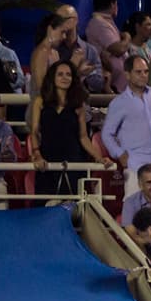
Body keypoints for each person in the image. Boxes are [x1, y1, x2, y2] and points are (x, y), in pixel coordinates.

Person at [29, 60, 110, 201]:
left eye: (68, 74)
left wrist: (99, 157)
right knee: (46, 205)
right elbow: (35, 131)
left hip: (74, 159)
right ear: (52, 78)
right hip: (48, 159)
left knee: (75, 207)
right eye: (60, 74)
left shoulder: (78, 105)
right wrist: (37, 154)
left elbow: (83, 137)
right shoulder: (40, 101)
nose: (65, 78)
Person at [103, 56, 151, 197]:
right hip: (136, 167)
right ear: (127, 74)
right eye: (138, 72)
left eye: (146, 71)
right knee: (135, 213)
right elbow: (107, 134)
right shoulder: (119, 103)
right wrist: (119, 154)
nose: (144, 75)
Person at [86, 0, 128, 94]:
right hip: (108, 85)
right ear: (113, 4)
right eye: (116, 4)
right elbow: (119, 49)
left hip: (117, 85)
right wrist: (128, 38)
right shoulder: (99, 23)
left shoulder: (106, 22)